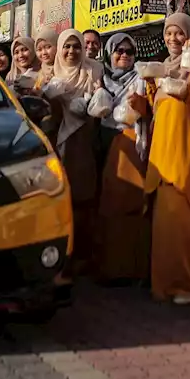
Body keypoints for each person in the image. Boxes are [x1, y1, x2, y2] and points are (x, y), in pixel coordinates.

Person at [146, 13, 190, 304]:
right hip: (161, 149)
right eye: (168, 33)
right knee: (163, 222)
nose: (173, 39)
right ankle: (164, 282)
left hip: (185, 147)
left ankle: (185, 283)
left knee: (180, 216)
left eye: (179, 33)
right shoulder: (161, 68)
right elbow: (153, 108)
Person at [39, 29, 103, 268]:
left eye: (76, 47)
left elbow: (102, 104)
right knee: (59, 200)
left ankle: (82, 256)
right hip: (56, 142)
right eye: (67, 46)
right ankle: (59, 255)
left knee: (83, 198)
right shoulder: (49, 75)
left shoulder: (94, 70)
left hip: (84, 141)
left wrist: (96, 95)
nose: (71, 51)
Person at [95, 33, 152, 284]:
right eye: (119, 51)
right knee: (107, 208)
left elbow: (150, 110)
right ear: (109, 53)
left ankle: (132, 269)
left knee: (129, 207)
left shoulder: (141, 78)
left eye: (129, 51)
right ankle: (110, 267)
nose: (124, 56)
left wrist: (141, 106)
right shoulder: (101, 79)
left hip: (129, 142)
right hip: (102, 143)